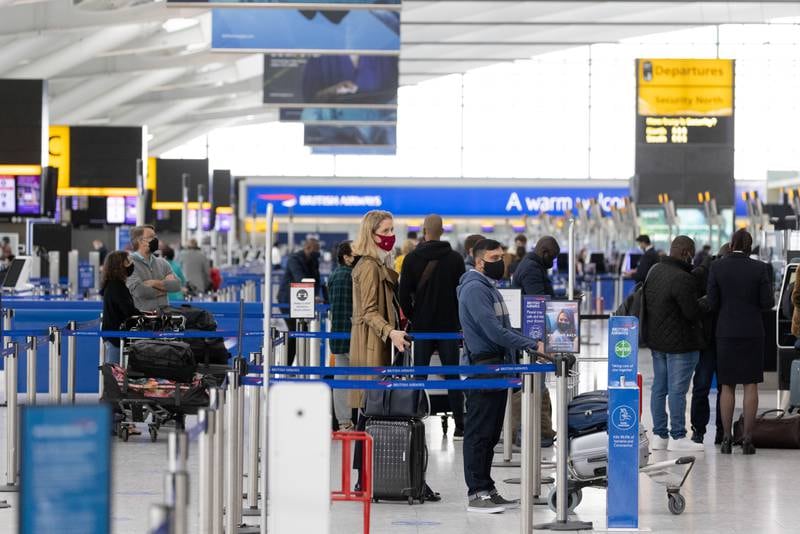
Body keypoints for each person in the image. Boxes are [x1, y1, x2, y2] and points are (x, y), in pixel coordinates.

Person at [457, 239, 539, 514]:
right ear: (480, 261)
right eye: (495, 257)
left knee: (491, 433)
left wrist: (527, 340)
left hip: (496, 367)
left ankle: (486, 486)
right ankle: (476, 492)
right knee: (479, 433)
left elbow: (503, 327)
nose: (500, 262)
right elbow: (493, 332)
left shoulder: (488, 288)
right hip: (483, 369)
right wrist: (531, 344)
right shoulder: (474, 290)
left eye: (502, 256)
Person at [398, 214, 467, 439]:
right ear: (442, 231)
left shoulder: (411, 259)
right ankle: (461, 425)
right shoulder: (456, 259)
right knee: (452, 377)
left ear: (424, 230)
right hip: (448, 327)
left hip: (422, 327)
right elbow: (461, 294)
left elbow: (403, 296)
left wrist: (413, 316)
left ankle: (414, 421)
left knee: (419, 377)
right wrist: (457, 320)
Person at [706, 230, 774, 455]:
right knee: (750, 384)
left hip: (725, 332)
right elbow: (767, 302)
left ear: (732, 243)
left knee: (727, 385)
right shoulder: (760, 268)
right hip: (753, 332)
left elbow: (712, 303)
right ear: (749, 246)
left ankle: (725, 438)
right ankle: (747, 439)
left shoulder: (717, 267)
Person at [643, 235, 705, 452]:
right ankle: (678, 436)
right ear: (685, 252)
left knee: (659, 388)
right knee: (677, 390)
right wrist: (705, 303)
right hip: (680, 344)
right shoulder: (683, 278)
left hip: (657, 342)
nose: (693, 258)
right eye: (692, 253)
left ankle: (659, 436)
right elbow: (691, 312)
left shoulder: (654, 271)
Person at [511, 235, 559, 445]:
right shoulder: (531, 269)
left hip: (530, 334)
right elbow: (537, 303)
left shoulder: (531, 265)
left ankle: (540, 431)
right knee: (532, 384)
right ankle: (528, 433)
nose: (553, 262)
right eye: (553, 258)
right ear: (544, 252)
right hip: (531, 335)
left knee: (535, 384)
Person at [277, 238, 322, 366]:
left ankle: (302, 364)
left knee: (302, 330)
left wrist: (317, 295)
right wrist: (312, 295)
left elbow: (317, 279)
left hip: (303, 301)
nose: (317, 253)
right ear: (307, 248)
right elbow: (299, 278)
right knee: (295, 330)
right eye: (315, 250)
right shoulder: (294, 259)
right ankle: (286, 365)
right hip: (288, 300)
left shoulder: (314, 261)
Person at [328, 241, 355, 431]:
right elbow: (347, 309)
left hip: (339, 335)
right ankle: (351, 420)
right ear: (346, 257)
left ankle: (345, 422)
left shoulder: (335, 275)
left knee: (342, 379)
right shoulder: (348, 276)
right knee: (352, 379)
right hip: (350, 336)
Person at [127, 225, 181, 311]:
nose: (155, 239)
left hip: (164, 316)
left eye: (155, 236)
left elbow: (177, 285)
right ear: (140, 241)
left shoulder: (162, 262)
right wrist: (164, 288)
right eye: (151, 237)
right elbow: (139, 291)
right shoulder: (129, 263)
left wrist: (154, 283)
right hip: (142, 317)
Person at [101, 251, 141, 365]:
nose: (131, 264)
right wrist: (144, 315)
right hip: (115, 338)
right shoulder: (116, 287)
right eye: (127, 261)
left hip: (114, 336)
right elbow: (128, 311)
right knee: (115, 374)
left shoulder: (114, 284)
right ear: (119, 265)